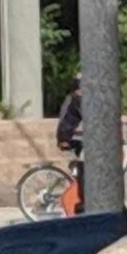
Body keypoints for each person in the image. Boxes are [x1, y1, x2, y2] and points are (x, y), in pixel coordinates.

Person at [55, 74, 84, 215]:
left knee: (84, 166)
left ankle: (81, 200)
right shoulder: (78, 100)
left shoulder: (73, 98)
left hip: (69, 135)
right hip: (70, 136)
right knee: (87, 166)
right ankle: (76, 201)